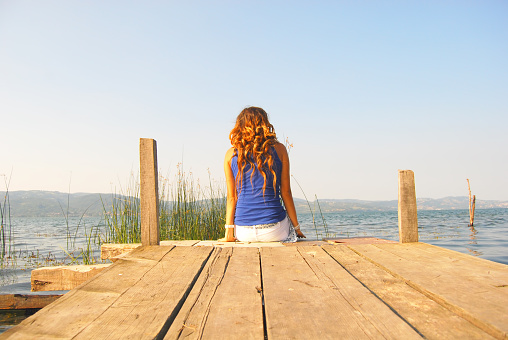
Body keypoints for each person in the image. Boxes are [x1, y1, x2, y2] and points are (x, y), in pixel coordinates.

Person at [219, 106, 306, 242]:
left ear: (240, 126)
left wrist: (229, 232)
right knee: (288, 229)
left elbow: (232, 198)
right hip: (274, 230)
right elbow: (286, 192)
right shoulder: (280, 149)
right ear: (265, 124)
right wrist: (297, 228)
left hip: (243, 231)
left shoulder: (230, 155)